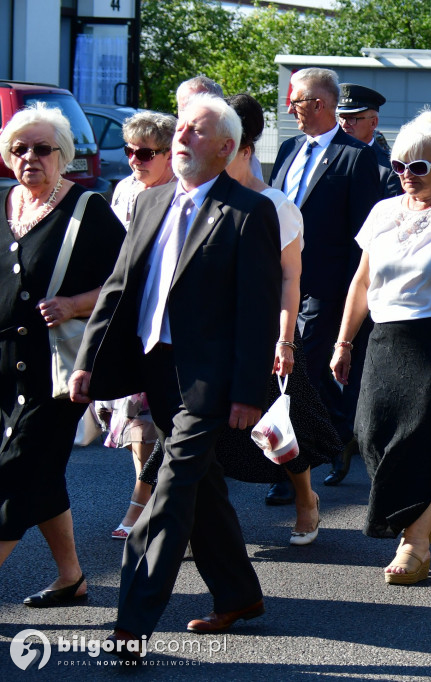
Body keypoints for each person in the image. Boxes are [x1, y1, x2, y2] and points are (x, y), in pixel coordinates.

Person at [71, 93, 281, 657]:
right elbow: (118, 287)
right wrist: (88, 361)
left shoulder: (249, 211)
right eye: (181, 126)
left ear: (227, 147)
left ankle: (131, 625)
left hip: (209, 382)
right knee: (202, 487)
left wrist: (246, 393)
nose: (182, 136)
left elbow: (257, 312)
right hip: (155, 371)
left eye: (197, 130)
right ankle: (239, 595)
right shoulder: (150, 200)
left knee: (168, 493)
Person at [331, 110, 431, 584]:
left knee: (423, 442)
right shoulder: (382, 212)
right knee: (372, 436)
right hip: (385, 340)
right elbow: (361, 282)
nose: (407, 176)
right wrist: (343, 342)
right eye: (399, 166)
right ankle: (422, 514)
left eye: (418, 167)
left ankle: (414, 544)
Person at [0, 103, 125, 605]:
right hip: (6, 365)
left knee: (13, 473)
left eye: (42, 148)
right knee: (41, 475)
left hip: (58, 370)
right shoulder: (7, 203)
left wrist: (76, 303)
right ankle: (72, 577)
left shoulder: (88, 209)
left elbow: (127, 281)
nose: (30, 157)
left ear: (64, 155)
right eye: (19, 148)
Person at [217, 92, 339, 546]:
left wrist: (284, 341)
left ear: (244, 149)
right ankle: (186, 521)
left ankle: (305, 499)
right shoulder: (201, 199)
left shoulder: (275, 206)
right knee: (195, 434)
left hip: (266, 333)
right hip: (212, 336)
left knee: (281, 429)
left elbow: (292, 280)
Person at [269, 68, 382, 494]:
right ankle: (334, 441)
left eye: (295, 101)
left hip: (323, 288)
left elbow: (363, 236)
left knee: (300, 376)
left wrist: (354, 297)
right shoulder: (288, 149)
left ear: (319, 104)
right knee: (289, 375)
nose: (290, 109)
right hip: (281, 286)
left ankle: (294, 474)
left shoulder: (356, 156)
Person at [102, 110, 177, 539]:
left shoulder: (182, 193)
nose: (135, 159)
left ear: (169, 154)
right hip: (128, 315)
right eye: (129, 150)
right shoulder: (125, 189)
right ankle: (147, 497)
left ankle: (145, 502)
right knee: (134, 417)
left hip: (166, 320)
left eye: (145, 152)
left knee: (160, 420)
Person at [337, 83, 402, 198]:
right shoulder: (330, 157)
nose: (344, 125)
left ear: (373, 123)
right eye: (342, 118)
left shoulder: (388, 168)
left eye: (352, 118)